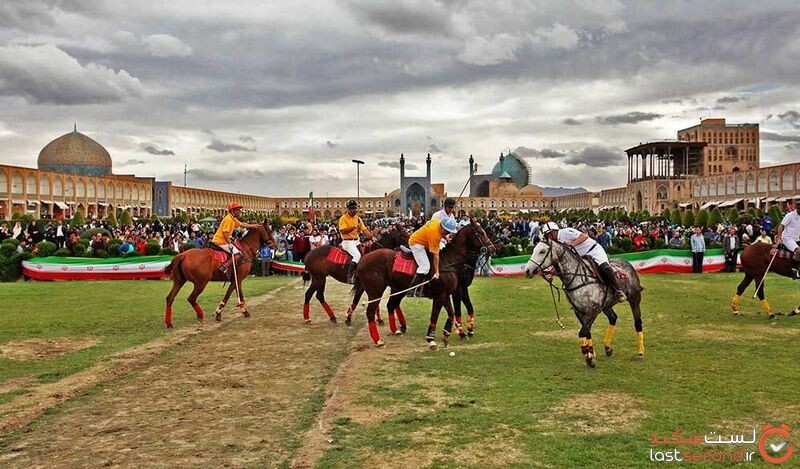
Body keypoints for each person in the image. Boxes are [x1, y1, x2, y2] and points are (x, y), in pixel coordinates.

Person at [540, 221, 627, 303]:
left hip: (593, 250)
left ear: (553, 232)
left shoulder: (566, 232)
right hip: (580, 256)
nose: (548, 238)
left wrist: (572, 244)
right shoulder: (555, 242)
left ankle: (618, 291)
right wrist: (550, 272)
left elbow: (584, 236)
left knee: (605, 267)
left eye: (548, 235)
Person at [407, 216, 458, 297]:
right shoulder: (434, 234)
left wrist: (445, 238)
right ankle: (412, 289)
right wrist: (437, 272)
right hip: (416, 243)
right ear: (443, 229)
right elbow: (436, 256)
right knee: (425, 267)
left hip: (424, 239)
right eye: (448, 232)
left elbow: (441, 232)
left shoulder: (438, 222)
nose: (449, 234)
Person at [211, 202, 261, 278]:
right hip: (221, 241)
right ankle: (224, 267)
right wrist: (230, 244)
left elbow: (242, 224)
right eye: (237, 210)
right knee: (238, 254)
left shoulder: (232, 218)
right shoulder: (228, 219)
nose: (239, 212)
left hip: (222, 240)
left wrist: (254, 225)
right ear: (232, 211)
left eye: (239, 210)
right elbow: (225, 233)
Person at [338, 200, 375, 283]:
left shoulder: (358, 218)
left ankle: (359, 274)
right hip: (347, 241)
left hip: (356, 241)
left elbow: (364, 230)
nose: (353, 210)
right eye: (351, 208)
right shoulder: (343, 218)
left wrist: (372, 237)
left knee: (363, 257)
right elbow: (343, 231)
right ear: (347, 209)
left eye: (354, 208)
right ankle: (349, 275)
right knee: (357, 256)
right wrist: (353, 227)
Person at [775, 204, 800, 278]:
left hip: (797, 239)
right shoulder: (790, 215)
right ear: (797, 208)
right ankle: (794, 270)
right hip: (787, 238)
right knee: (798, 251)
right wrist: (779, 238)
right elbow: (781, 225)